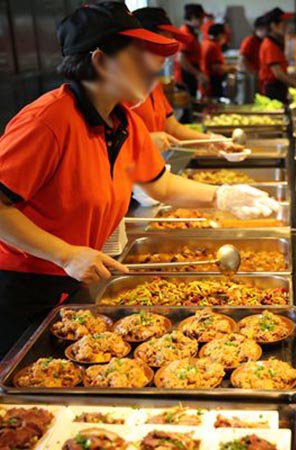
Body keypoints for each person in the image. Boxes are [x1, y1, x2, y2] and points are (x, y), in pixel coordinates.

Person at [0, 2, 279, 356]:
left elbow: (159, 184)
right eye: (139, 57)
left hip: (74, 280)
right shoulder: (47, 122)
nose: (155, 68)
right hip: (21, 289)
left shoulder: (123, 122)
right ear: (100, 61)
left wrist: (220, 196)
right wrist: (65, 254)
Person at [132, 6, 218, 151]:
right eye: (162, 45)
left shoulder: (153, 84)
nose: (167, 55)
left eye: (169, 46)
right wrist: (146, 140)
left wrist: (211, 140)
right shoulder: (119, 90)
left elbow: (172, 127)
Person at [259, 8, 296, 102]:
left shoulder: (276, 43)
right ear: (273, 26)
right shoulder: (270, 45)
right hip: (273, 90)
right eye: (284, 24)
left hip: (279, 87)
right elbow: (278, 74)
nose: (287, 27)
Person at [174, 4, 207, 99]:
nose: (203, 21)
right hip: (185, 77)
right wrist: (198, 74)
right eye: (201, 18)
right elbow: (181, 59)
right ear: (193, 17)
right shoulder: (186, 33)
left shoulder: (191, 32)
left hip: (190, 74)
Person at [201, 23, 235, 98]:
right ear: (220, 35)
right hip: (212, 80)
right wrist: (231, 68)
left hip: (205, 79)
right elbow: (216, 67)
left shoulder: (205, 43)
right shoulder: (213, 46)